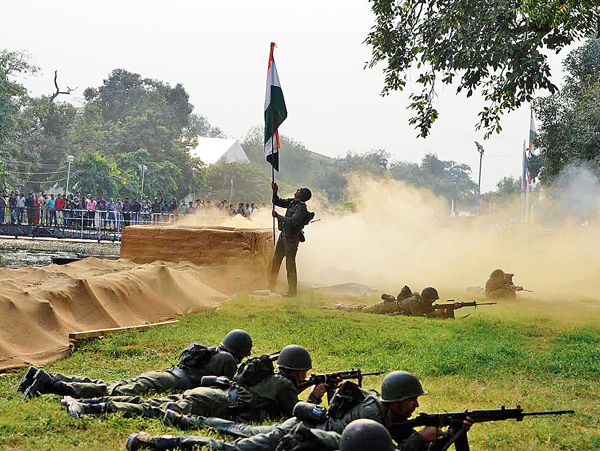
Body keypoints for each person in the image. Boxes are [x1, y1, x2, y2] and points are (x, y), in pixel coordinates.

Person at [124, 371, 473, 451]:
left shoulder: (382, 412)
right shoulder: (366, 415)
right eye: (413, 400)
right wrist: (418, 440)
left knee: (240, 434)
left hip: (302, 429)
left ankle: (183, 418)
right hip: (294, 434)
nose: (416, 406)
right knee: (234, 445)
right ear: (397, 401)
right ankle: (161, 438)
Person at [62, 345, 325, 424]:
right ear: (299, 371)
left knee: (151, 403)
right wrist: (314, 397)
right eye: (304, 374)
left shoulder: (266, 376)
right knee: (151, 409)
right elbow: (296, 415)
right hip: (211, 402)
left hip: (209, 393)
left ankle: (86, 403)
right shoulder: (283, 387)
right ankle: (88, 408)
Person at [20, 330, 253, 400]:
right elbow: (232, 388)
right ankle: (51, 384)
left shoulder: (215, 352)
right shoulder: (228, 360)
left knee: (112, 385)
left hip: (165, 375)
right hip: (167, 382)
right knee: (111, 390)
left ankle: (50, 378)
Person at [269, 183, 314, 297]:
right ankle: (271, 286)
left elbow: (293, 221)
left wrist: (278, 216)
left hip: (292, 239)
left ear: (302, 195)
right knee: (276, 261)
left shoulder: (301, 208)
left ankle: (292, 292)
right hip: (284, 235)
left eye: (299, 190)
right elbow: (277, 201)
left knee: (290, 265)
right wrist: (275, 191)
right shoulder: (292, 202)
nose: (296, 190)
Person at [331, 287, 440, 317]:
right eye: (432, 301)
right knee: (362, 310)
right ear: (426, 299)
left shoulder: (418, 300)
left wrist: (434, 307)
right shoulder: (414, 302)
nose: (432, 302)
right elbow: (419, 315)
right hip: (385, 307)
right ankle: (340, 307)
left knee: (364, 308)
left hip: (391, 306)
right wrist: (435, 310)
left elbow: (422, 310)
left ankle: (345, 305)